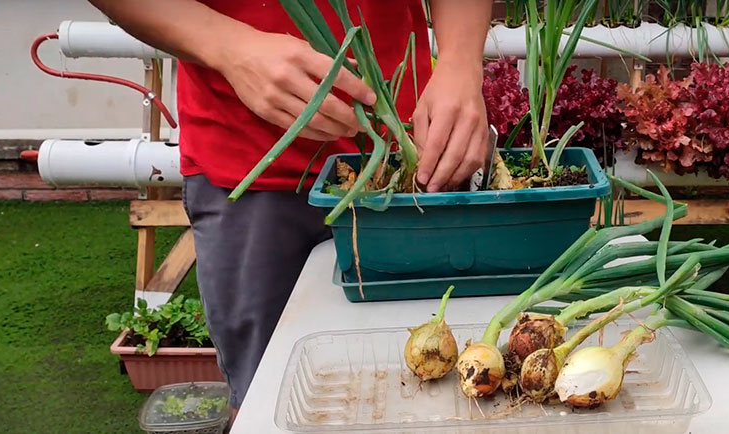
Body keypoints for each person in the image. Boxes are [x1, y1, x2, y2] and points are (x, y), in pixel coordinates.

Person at [88, 0, 491, 415]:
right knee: (273, 403)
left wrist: (461, 63)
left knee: (437, 399)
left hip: (417, 157)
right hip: (252, 159)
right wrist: (229, 46)